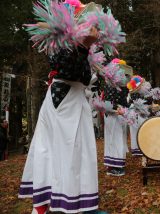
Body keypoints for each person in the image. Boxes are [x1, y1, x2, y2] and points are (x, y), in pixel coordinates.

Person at [18, 1, 106, 213]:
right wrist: (82, 46)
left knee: (78, 152)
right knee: (63, 150)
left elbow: (83, 78)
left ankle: (78, 204)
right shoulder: (59, 44)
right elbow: (66, 70)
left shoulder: (77, 47)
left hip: (73, 101)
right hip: (63, 103)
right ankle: (56, 204)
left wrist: (84, 48)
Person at [102, 59, 132, 176]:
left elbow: (109, 102)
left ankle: (118, 167)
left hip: (115, 114)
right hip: (120, 113)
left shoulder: (113, 84)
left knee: (115, 139)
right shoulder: (122, 85)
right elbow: (124, 102)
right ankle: (116, 165)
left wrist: (117, 108)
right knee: (118, 138)